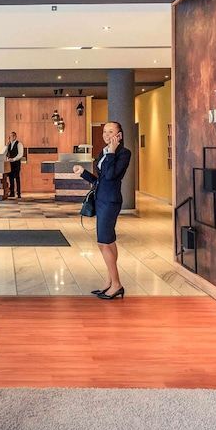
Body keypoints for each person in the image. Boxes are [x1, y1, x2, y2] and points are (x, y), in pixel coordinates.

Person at [73, 121, 131, 299]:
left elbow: (112, 175)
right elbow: (101, 180)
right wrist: (83, 173)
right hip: (101, 200)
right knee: (108, 242)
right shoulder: (104, 152)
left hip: (110, 202)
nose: (106, 135)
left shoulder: (123, 153)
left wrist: (112, 152)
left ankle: (117, 284)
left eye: (111, 131)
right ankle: (110, 281)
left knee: (103, 242)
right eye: (105, 131)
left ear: (119, 135)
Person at [4, 130, 24, 199]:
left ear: (15, 137)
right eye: (10, 136)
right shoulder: (9, 144)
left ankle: (19, 193)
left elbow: (20, 154)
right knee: (11, 178)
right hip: (10, 164)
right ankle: (12, 193)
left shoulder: (19, 144)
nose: (11, 137)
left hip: (16, 163)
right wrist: (6, 146)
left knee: (17, 178)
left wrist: (13, 159)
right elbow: (5, 153)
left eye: (12, 136)